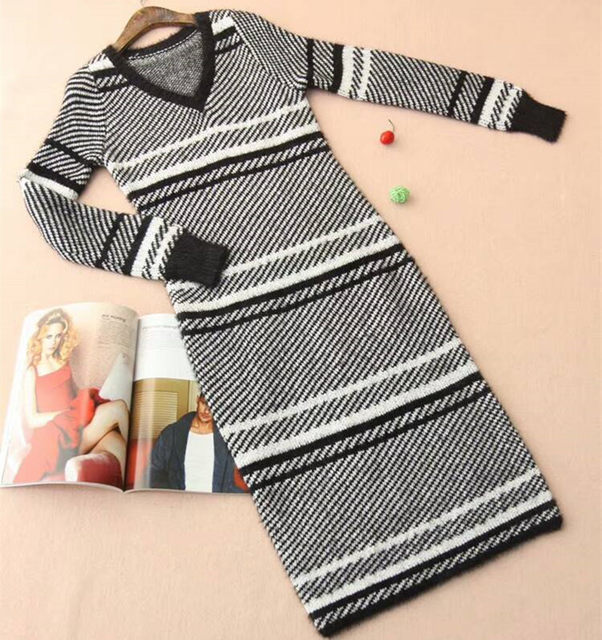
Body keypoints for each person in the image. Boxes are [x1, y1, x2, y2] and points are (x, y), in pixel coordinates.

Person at [13, 308, 129, 483]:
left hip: (77, 424)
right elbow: (32, 419)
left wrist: (79, 409)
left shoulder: (62, 361)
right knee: (118, 408)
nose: (54, 342)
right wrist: (67, 414)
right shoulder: (32, 371)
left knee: (116, 442)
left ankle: (126, 483)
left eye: (58, 336)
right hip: (60, 437)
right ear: (39, 338)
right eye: (48, 336)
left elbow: (72, 395)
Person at [149, 392, 246, 492]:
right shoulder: (172, 433)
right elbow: (153, 471)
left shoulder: (226, 437)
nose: (207, 411)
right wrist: (171, 496)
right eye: (204, 403)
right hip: (180, 499)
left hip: (215, 499)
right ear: (197, 400)